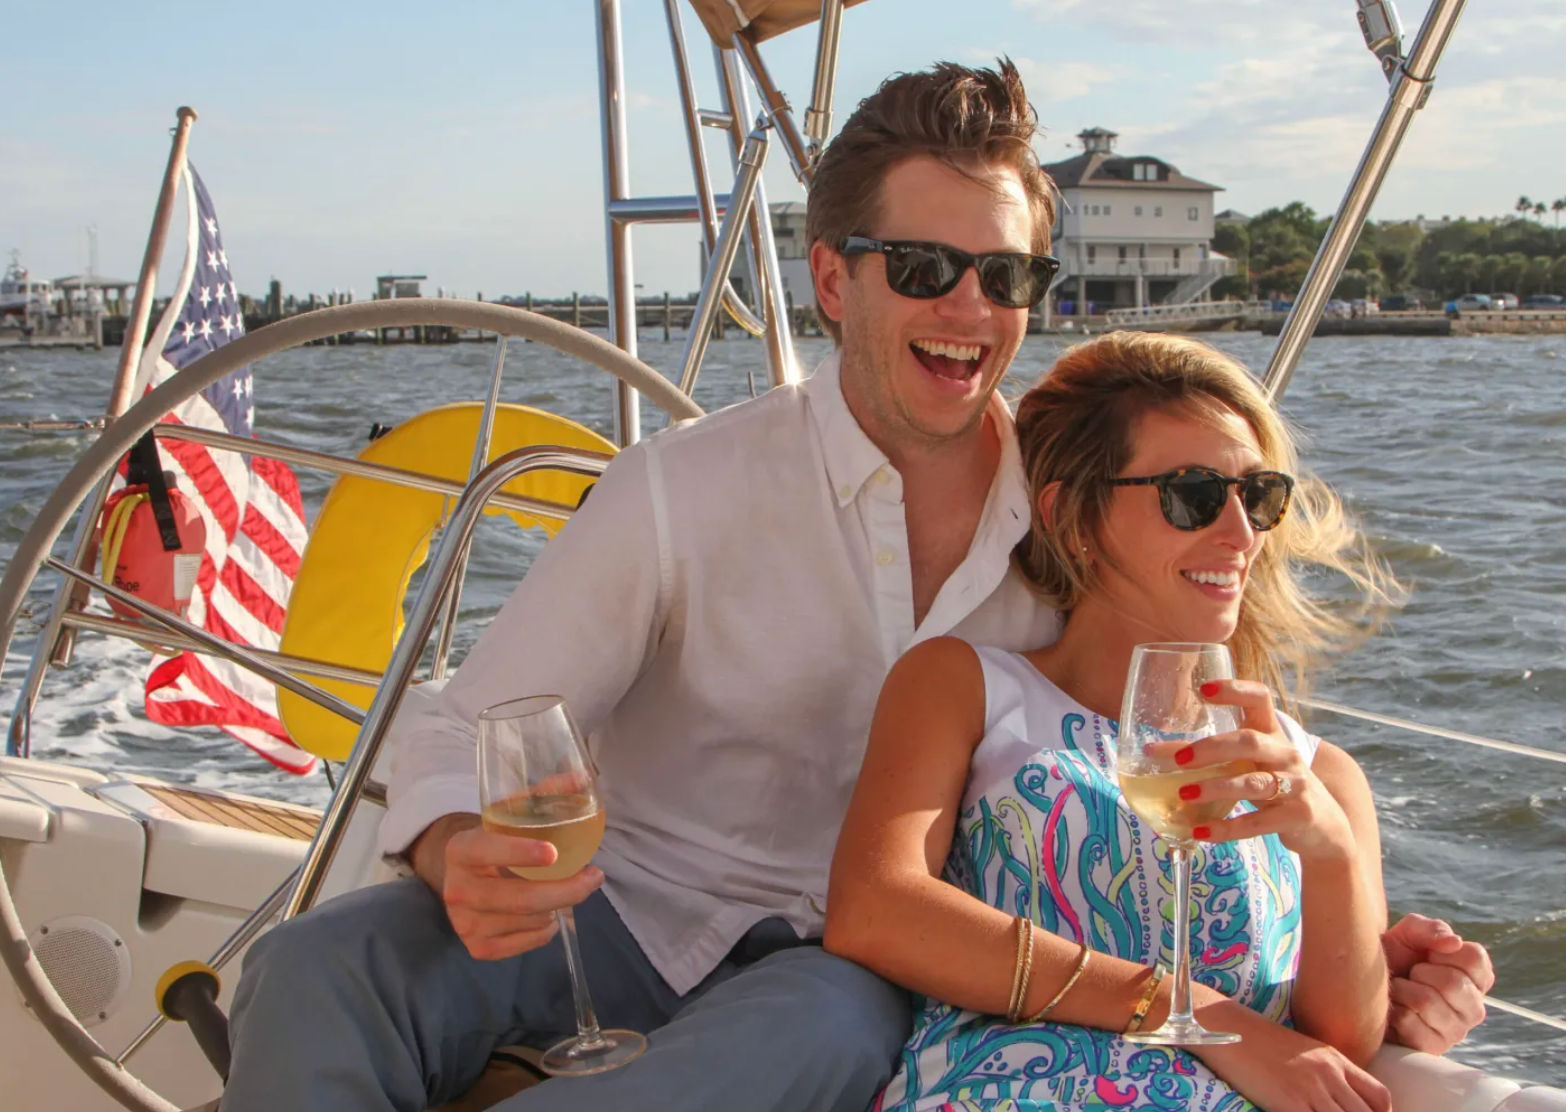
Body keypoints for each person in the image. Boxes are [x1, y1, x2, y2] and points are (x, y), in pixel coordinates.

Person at [222, 61, 1491, 1112]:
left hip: (845, 962)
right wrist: (459, 846)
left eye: (1004, 275)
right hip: (616, 902)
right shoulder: (681, 488)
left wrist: (1362, 925)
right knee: (308, 970)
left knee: (816, 1033)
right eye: (923, 267)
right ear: (834, 279)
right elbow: (463, 718)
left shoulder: (1079, 522)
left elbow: (1160, 748)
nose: (969, 307)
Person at [822, 330, 1458, 1112]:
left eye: (1258, 496)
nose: (1240, 533)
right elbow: (874, 910)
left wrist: (1332, 856)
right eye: (1192, 495)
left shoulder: (1321, 780)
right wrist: (1184, 1011)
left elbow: (1341, 1047)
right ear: (1071, 517)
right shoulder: (966, 688)